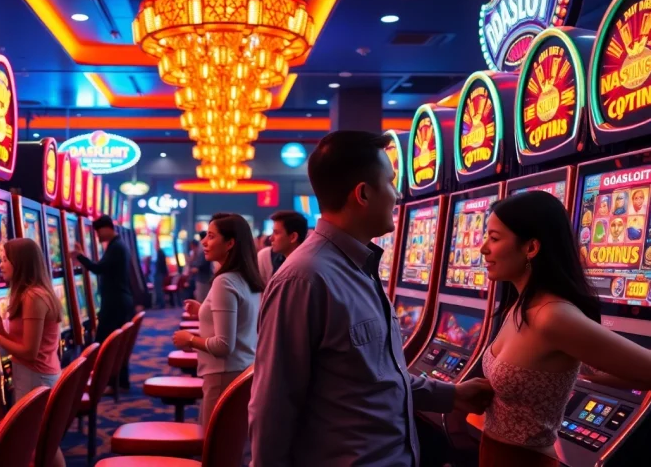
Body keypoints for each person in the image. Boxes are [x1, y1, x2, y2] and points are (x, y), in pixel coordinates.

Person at [248, 130, 494, 466]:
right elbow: (273, 404)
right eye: (390, 182)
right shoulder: (305, 278)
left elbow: (375, 380)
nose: (397, 194)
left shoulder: (359, 266)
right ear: (363, 194)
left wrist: (451, 395)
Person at [478, 191, 651, 466]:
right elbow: (575, 369)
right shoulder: (520, 305)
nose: (483, 248)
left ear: (531, 248)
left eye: (495, 238)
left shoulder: (553, 315)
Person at [172, 213, 263, 429]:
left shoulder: (225, 281)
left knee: (213, 444)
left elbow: (223, 345)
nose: (204, 242)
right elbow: (241, 321)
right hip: (242, 369)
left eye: (211, 236)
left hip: (224, 374)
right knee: (229, 441)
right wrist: (203, 310)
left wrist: (189, 339)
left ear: (230, 243)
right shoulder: (244, 277)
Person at [0, 238, 63, 401]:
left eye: (5, 260)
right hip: (39, 375)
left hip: (36, 378)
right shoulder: (36, 292)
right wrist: (0, 330)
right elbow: (23, 345)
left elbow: (29, 353)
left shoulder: (33, 297)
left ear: (20, 263)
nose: (0, 265)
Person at [73, 215, 134, 389]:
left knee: (102, 345)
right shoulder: (118, 245)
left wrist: (80, 256)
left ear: (107, 228)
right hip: (119, 301)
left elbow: (98, 268)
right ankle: (118, 381)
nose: (97, 236)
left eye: (98, 232)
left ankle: (103, 384)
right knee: (113, 345)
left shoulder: (116, 247)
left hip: (115, 303)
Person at [257, 210, 308, 284]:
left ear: (293, 237)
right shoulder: (272, 259)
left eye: (276, 233)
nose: (270, 238)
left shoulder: (304, 269)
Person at [189, 235, 214, 302]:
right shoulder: (198, 253)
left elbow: (199, 266)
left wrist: (193, 269)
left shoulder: (203, 253)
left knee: (203, 300)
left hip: (203, 280)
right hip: (201, 279)